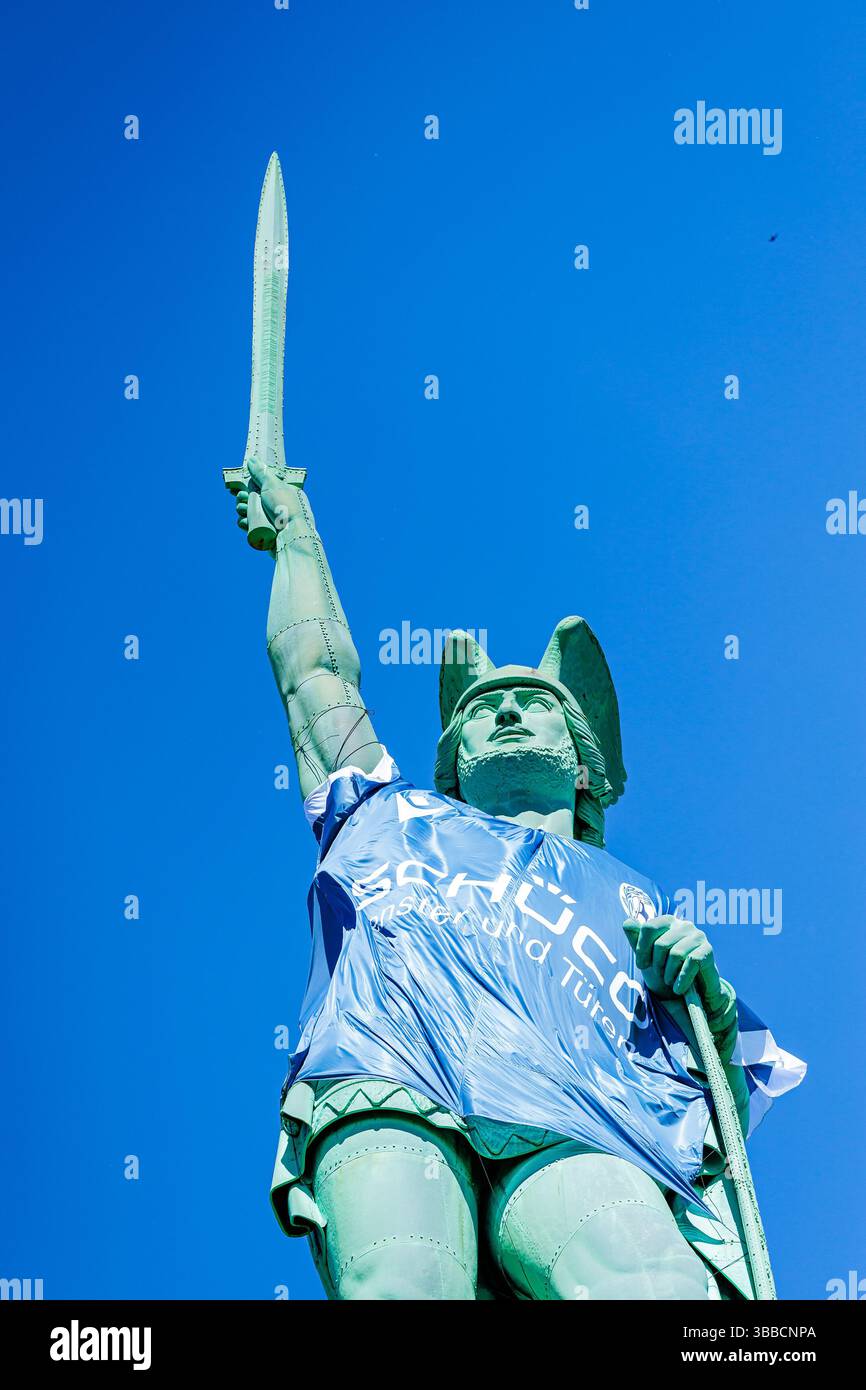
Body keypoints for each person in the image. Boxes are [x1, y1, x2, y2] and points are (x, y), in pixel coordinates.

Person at [233, 460, 805, 1301]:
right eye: (479, 710)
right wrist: (294, 529)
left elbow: (718, 1118)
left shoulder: (631, 894)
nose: (502, 711)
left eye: (533, 703)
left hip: (581, 1104)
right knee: (403, 1281)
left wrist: (703, 989)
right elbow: (314, 674)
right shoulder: (381, 810)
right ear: (454, 761)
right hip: (390, 1062)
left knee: (656, 1285)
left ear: (583, 762)